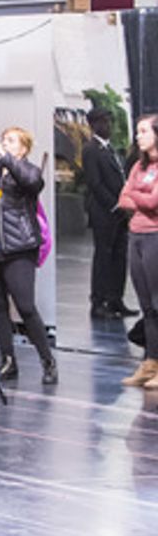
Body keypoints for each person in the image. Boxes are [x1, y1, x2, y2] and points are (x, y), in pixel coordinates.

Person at [0, 127, 58, 385]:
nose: (5, 144)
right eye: (4, 140)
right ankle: (7, 360)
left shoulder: (27, 170)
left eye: (11, 141)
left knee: (25, 307)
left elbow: (32, 183)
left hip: (19, 247)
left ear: (23, 149)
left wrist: (7, 159)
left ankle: (47, 360)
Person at [116, 115, 158, 389]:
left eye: (144, 131)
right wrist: (136, 195)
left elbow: (155, 202)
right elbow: (122, 199)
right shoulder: (137, 167)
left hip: (155, 236)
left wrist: (135, 194)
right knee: (146, 306)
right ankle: (150, 363)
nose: (138, 136)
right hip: (136, 235)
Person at [83, 108, 136, 318]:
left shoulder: (110, 149)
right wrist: (115, 205)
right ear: (94, 124)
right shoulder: (91, 149)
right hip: (104, 212)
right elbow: (95, 183)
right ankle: (98, 301)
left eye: (108, 122)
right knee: (103, 256)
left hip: (119, 213)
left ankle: (116, 299)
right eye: (104, 122)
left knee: (119, 256)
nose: (108, 126)